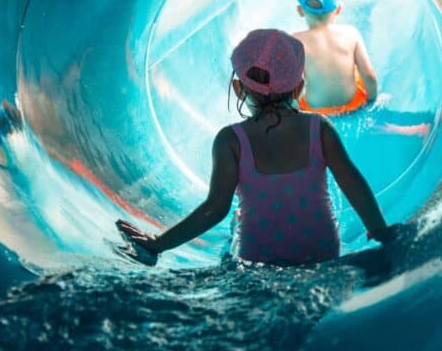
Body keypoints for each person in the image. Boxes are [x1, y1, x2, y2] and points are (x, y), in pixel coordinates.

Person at [116, 28, 396, 265]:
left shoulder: (230, 140)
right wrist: (380, 232)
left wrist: (157, 244)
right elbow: (353, 183)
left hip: (259, 255)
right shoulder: (318, 128)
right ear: (298, 89)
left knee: (236, 221)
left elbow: (215, 208)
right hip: (321, 249)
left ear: (239, 89)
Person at [292, 0, 378, 116]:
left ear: (300, 11)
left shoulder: (294, 42)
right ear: (338, 10)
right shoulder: (351, 34)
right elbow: (369, 76)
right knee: (355, 73)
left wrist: (295, 111)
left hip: (314, 110)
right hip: (352, 103)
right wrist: (370, 102)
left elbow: (290, 86)